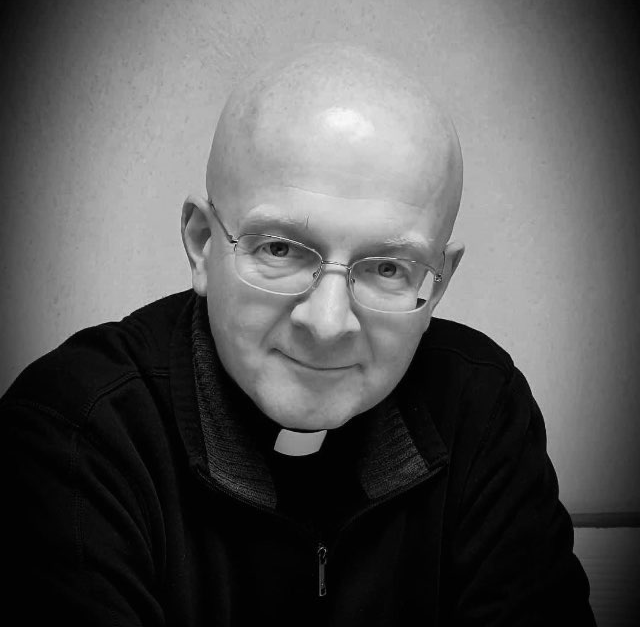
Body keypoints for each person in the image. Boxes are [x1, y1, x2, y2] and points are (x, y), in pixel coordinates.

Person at [2, 43, 595, 626]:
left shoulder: (481, 410)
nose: (327, 324)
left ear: (438, 284)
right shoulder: (77, 432)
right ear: (203, 244)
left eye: (388, 267)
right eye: (281, 249)